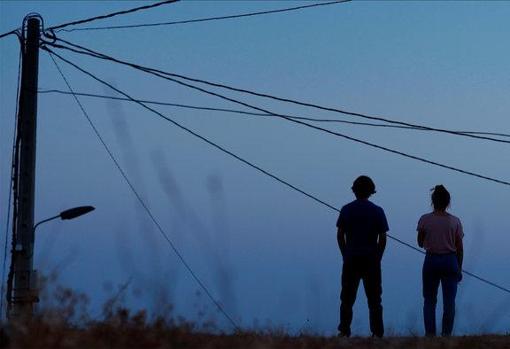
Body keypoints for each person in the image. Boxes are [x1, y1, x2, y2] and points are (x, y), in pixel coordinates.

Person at [336, 175, 389, 338]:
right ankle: (377, 333)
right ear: (371, 191)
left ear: (355, 191)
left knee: (347, 298)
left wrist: (345, 253)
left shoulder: (346, 209)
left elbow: (340, 235)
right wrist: (378, 257)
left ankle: (344, 331)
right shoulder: (377, 211)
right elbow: (383, 238)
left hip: (351, 259)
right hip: (371, 260)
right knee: (374, 300)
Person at [417, 185, 464, 337]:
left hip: (431, 260)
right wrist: (459, 267)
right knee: (449, 302)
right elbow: (460, 247)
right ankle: (446, 335)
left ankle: (430, 335)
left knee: (429, 300)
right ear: (448, 202)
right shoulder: (455, 221)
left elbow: (419, 242)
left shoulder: (425, 219)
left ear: (433, 201)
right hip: (450, 261)